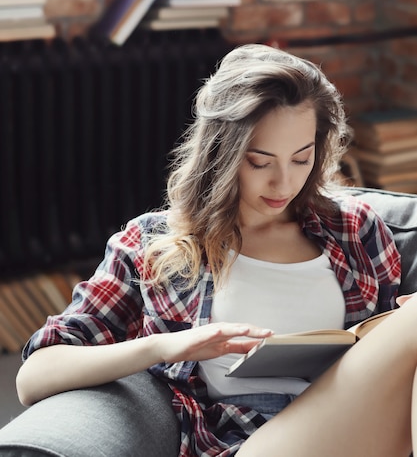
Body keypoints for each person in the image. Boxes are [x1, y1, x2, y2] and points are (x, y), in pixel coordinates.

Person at [15, 43, 417, 457]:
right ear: (222, 156)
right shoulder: (153, 244)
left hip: (361, 426)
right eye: (260, 163)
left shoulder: (355, 231)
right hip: (247, 443)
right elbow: (33, 378)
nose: (283, 183)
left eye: (301, 158)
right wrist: (170, 346)